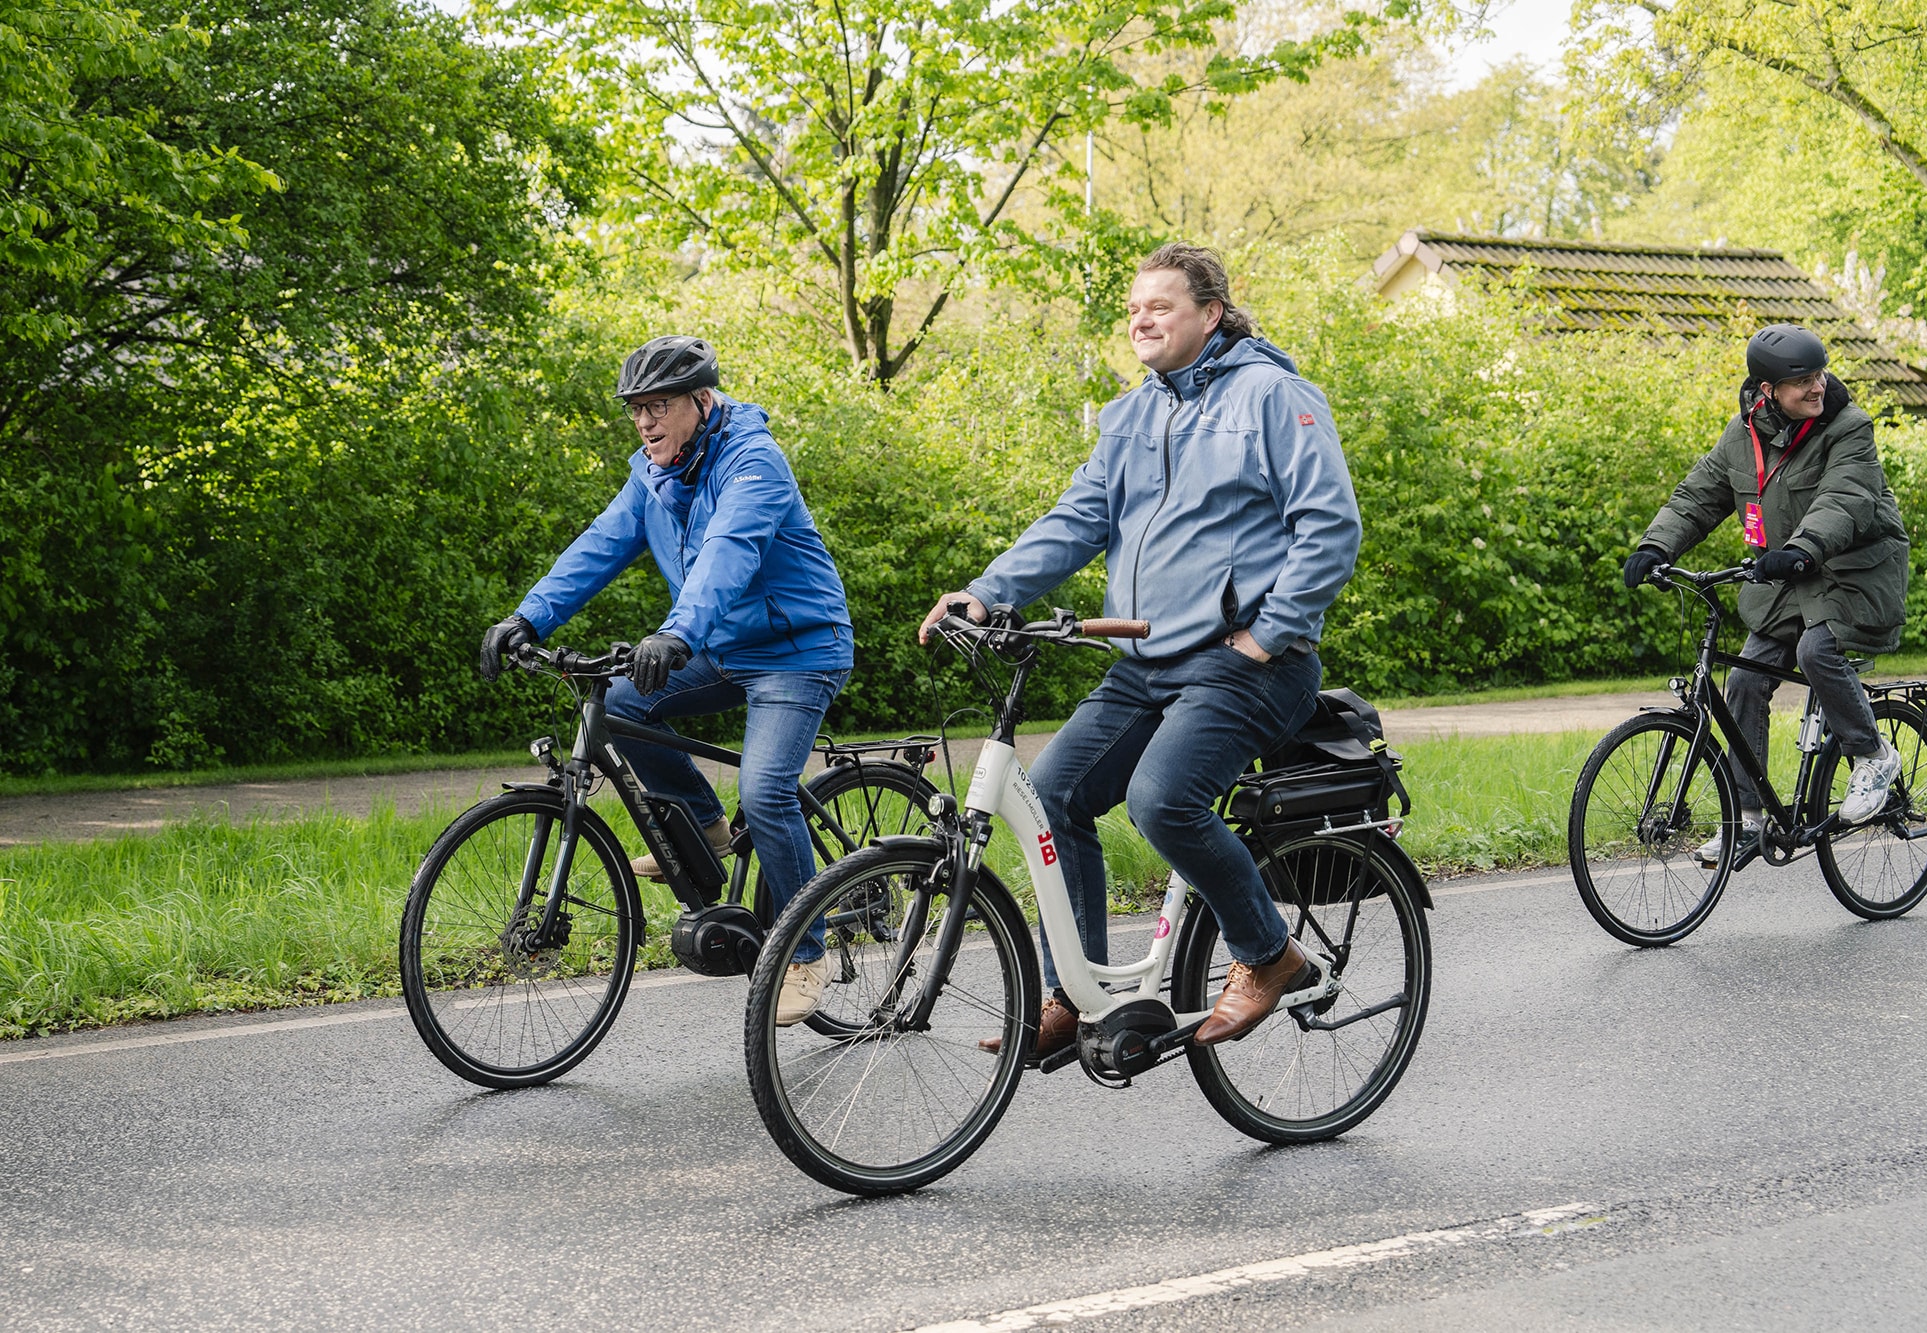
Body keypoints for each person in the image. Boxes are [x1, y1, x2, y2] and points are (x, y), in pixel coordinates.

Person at [920, 242, 1363, 1054]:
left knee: (1163, 799)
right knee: (1052, 795)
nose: (1141, 318)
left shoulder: (1270, 395)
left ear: (1211, 314)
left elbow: (1330, 526)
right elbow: (1078, 520)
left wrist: (1268, 634)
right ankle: (1076, 991)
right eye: (1133, 307)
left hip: (1250, 665)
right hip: (1145, 661)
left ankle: (1267, 954)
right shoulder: (1131, 415)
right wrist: (988, 591)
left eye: (1160, 304)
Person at [479, 335, 854, 1023]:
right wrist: (528, 615)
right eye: (636, 410)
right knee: (625, 701)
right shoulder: (653, 474)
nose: (646, 422)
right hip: (722, 642)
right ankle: (707, 829)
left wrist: (678, 633)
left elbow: (726, 555)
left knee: (766, 790)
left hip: (798, 649)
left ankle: (807, 951)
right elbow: (598, 545)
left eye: (659, 406)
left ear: (701, 400)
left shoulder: (752, 462)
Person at [1624, 323, 1910, 863]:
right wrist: (1655, 547)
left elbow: (1844, 501)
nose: (1817, 386)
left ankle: (1873, 755)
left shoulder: (1848, 428)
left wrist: (1803, 547)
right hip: (1792, 575)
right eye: (1802, 380)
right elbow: (1698, 496)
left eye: (1820, 374)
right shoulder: (1742, 434)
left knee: (1815, 650)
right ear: (1768, 389)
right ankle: (1748, 818)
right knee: (1746, 679)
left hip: (1855, 568)